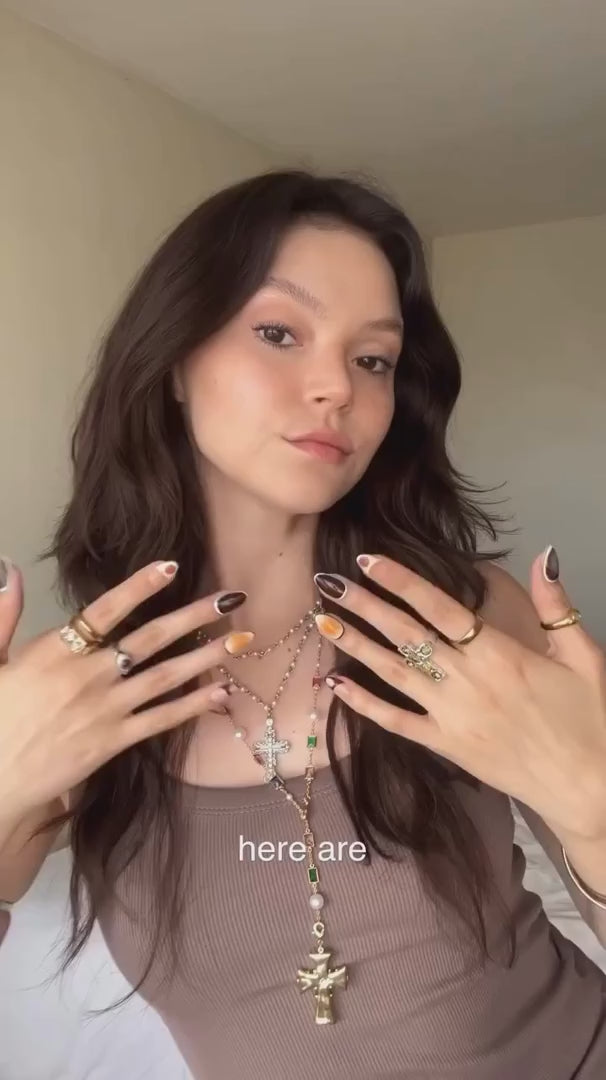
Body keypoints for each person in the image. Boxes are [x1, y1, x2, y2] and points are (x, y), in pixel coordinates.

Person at [1, 169, 605, 1079]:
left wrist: (597, 804)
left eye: (374, 360)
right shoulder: (82, 696)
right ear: (174, 359)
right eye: (279, 333)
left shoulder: (462, 621)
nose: (336, 388)